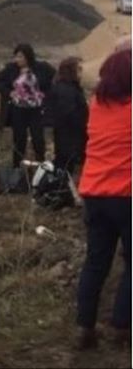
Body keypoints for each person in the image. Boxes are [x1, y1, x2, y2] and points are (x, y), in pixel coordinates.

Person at [75, 50, 131, 350]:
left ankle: (85, 326)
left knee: (96, 262)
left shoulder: (96, 104)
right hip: (126, 196)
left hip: (94, 193)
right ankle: (122, 326)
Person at [0, 43, 56, 168]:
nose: (18, 60)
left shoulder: (42, 68)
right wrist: (9, 93)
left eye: (21, 57)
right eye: (16, 57)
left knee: (38, 139)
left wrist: (46, 94)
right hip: (18, 110)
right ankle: (17, 169)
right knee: (19, 140)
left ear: (28, 57)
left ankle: (41, 167)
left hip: (36, 110)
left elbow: (55, 77)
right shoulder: (11, 69)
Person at [46, 57, 89, 174]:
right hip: (70, 137)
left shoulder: (70, 87)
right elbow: (67, 113)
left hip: (70, 137)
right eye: (79, 69)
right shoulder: (66, 89)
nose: (82, 72)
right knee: (66, 168)